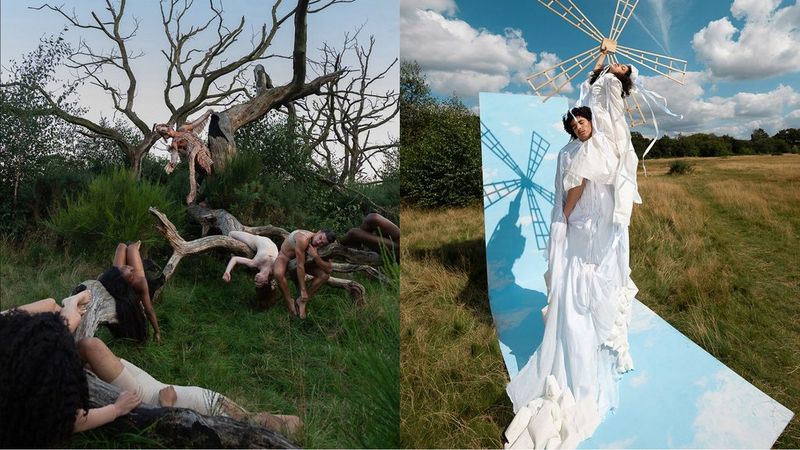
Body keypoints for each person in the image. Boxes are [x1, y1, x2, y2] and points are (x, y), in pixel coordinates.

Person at [504, 106, 638, 448]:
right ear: (570, 127)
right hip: (580, 226)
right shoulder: (569, 153)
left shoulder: (605, 144)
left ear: (591, 120)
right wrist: (563, 219)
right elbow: (570, 188)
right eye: (574, 123)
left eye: (583, 120)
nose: (580, 126)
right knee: (579, 285)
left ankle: (601, 342)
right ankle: (581, 344)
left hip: (604, 226)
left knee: (602, 283)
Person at [75, 337, 302, 436]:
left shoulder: (229, 431)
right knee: (91, 361)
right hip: (154, 383)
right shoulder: (243, 417)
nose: (272, 415)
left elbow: (178, 429)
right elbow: (297, 422)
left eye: (270, 422)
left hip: (147, 397)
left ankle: (52, 374)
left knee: (90, 346)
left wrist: (167, 405)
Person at [0, 293, 141, 447]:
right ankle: (69, 307)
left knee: (52, 308)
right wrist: (116, 409)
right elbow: (76, 421)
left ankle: (69, 307)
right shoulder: (40, 410)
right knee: (55, 316)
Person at [73, 241, 163, 343]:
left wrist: (157, 331)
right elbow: (149, 309)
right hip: (131, 280)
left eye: (126, 266)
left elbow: (149, 310)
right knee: (132, 248)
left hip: (121, 277)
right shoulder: (140, 282)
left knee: (122, 246)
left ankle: (128, 255)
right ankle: (134, 248)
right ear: (131, 279)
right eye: (128, 268)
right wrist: (157, 332)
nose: (131, 267)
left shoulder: (114, 278)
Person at [154, 109, 214, 204]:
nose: (167, 133)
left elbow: (196, 123)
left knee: (212, 171)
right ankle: (203, 197)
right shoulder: (174, 143)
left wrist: (207, 114)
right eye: (164, 133)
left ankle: (204, 194)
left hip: (203, 150)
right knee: (209, 173)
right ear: (165, 136)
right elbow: (174, 156)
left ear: (169, 127)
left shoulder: (183, 128)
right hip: (196, 158)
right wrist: (172, 164)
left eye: (166, 130)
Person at [272, 229, 335, 319]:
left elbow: (329, 269)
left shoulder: (325, 246)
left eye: (322, 243)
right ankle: (290, 301)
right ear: (318, 232)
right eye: (320, 238)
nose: (318, 242)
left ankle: (302, 301)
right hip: (285, 257)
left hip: (305, 262)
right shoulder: (303, 238)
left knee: (325, 276)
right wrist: (303, 290)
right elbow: (300, 266)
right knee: (278, 273)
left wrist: (316, 256)